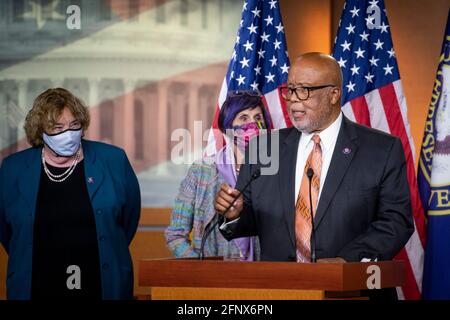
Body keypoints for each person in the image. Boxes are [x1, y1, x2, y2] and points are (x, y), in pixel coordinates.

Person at [215, 53, 414, 297]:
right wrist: (235, 214)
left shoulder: (381, 149)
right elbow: (252, 219)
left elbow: (396, 221)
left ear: (333, 94)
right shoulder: (263, 149)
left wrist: (346, 261)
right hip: (278, 291)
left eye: (305, 90)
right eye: (291, 90)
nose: (294, 101)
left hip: (353, 291)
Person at [0, 88, 141, 300]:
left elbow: (128, 219)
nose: (68, 133)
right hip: (37, 285)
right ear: (40, 131)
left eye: (74, 125)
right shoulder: (13, 168)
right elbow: (7, 230)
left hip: (100, 285)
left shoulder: (113, 160)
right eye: (58, 127)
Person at [165, 90, 272, 260]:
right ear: (228, 127)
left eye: (258, 118)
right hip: (214, 281)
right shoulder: (201, 172)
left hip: (265, 278)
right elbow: (175, 236)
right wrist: (202, 271)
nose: (252, 125)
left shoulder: (275, 172)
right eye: (243, 118)